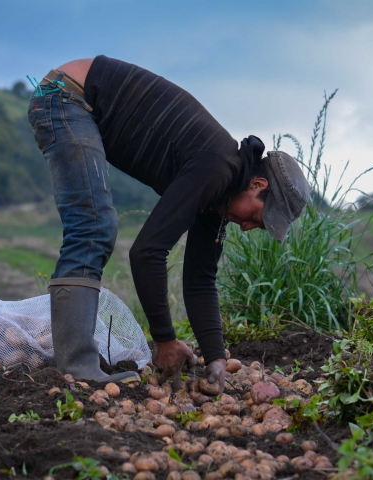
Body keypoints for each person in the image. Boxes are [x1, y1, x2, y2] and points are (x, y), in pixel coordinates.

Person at [28, 56, 309, 391]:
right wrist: (164, 340)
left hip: (79, 103)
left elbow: (200, 279)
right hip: (68, 96)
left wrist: (217, 356)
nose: (248, 227)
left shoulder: (220, 195)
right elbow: (146, 252)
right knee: (93, 227)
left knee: (96, 227)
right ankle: (77, 369)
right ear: (257, 186)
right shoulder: (217, 167)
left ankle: (78, 365)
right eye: (258, 219)